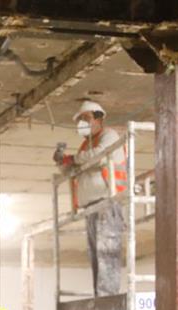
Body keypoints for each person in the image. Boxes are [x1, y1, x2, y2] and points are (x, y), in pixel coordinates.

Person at [53, 99, 128, 297]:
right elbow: (76, 168)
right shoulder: (86, 145)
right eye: (80, 120)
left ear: (99, 118)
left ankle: (108, 295)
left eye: (85, 118)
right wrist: (63, 162)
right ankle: (100, 294)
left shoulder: (109, 136)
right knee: (96, 252)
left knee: (107, 249)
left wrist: (74, 159)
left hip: (107, 201)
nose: (82, 123)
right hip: (91, 206)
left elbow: (101, 156)